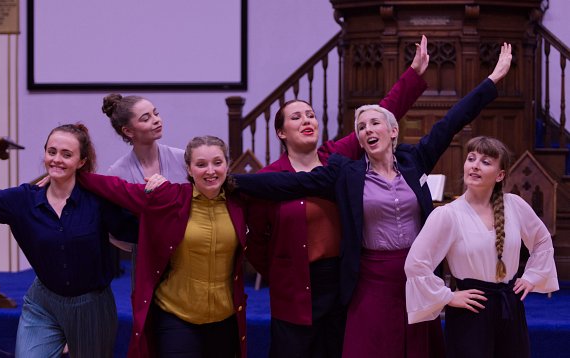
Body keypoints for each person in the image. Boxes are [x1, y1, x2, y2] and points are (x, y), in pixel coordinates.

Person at [232, 43, 514, 357]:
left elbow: (451, 123)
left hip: (415, 277)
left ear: (393, 131)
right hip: (369, 281)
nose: (367, 129)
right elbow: (290, 183)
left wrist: (493, 79)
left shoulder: (415, 161)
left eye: (375, 123)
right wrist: (230, 181)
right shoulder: (345, 173)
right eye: (361, 126)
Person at [246, 35, 429, 357]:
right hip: (295, 286)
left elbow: (382, 114)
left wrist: (413, 74)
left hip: (343, 281)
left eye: (310, 115)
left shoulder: (337, 157)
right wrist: (281, 268)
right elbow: (256, 242)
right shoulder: (268, 178)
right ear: (280, 132)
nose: (307, 121)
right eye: (296, 117)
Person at [0, 124, 139, 358]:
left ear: (81, 161)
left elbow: (136, 229)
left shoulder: (98, 200)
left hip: (92, 306)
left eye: (67, 154)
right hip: (43, 303)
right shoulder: (23, 201)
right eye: (51, 152)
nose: (57, 159)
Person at [76, 136, 247, 358]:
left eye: (217, 162)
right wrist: (72, 175)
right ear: (188, 168)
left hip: (225, 321)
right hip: (176, 317)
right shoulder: (170, 197)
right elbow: (117, 188)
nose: (210, 171)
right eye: (201, 164)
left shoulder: (240, 203)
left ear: (227, 164)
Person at [404, 136, 558, 357]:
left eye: (485, 161)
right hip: (470, 311)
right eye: (471, 158)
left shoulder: (515, 205)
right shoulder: (448, 215)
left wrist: (532, 276)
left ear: (500, 175)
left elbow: (542, 240)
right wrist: (448, 296)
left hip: (509, 307)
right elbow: (415, 264)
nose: (475, 165)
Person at [101, 94, 188, 288]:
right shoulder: (117, 172)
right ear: (128, 131)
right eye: (145, 118)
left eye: (156, 113)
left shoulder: (184, 158)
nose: (156, 120)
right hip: (147, 261)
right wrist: (143, 243)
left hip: (189, 255)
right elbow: (115, 230)